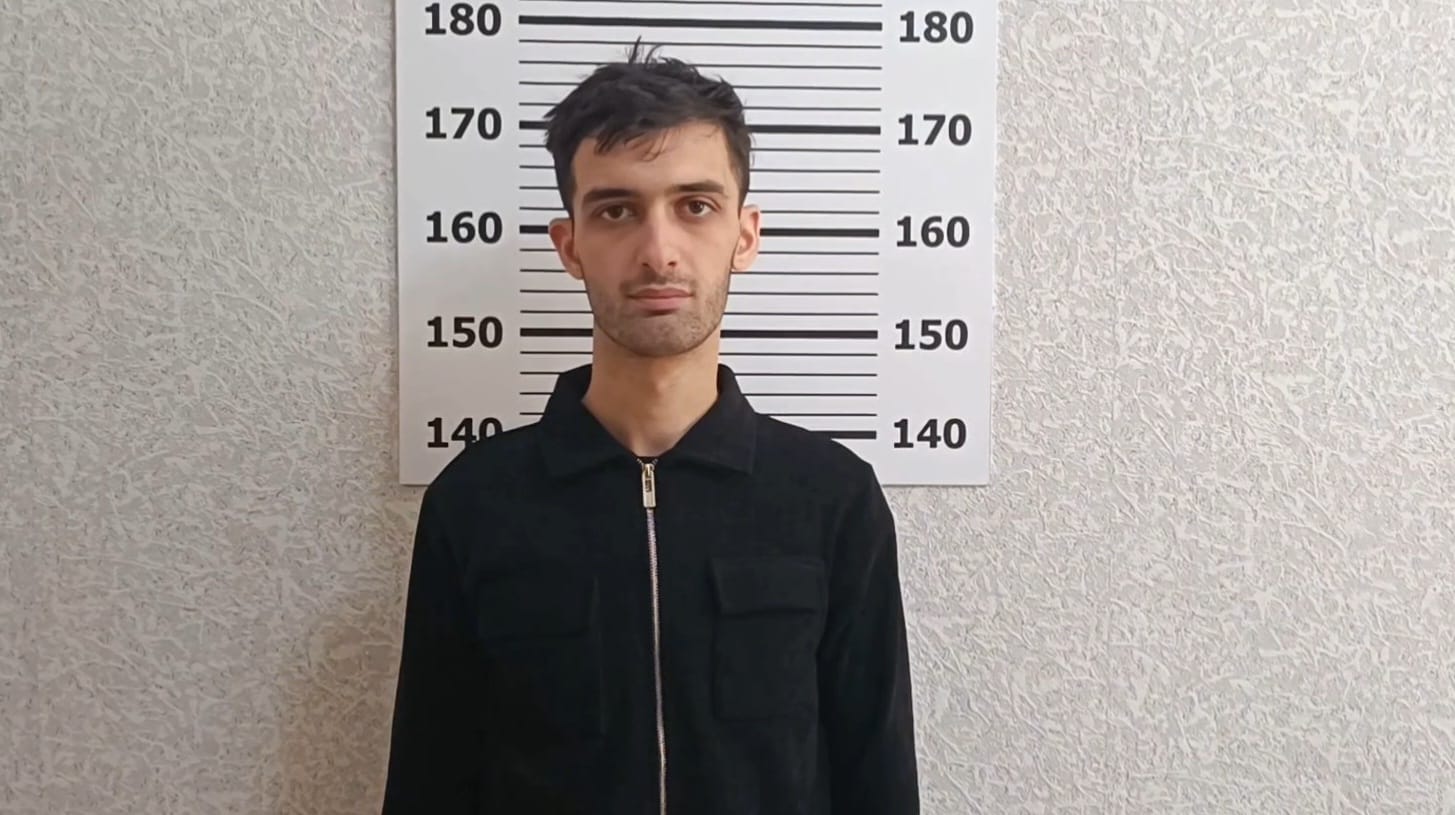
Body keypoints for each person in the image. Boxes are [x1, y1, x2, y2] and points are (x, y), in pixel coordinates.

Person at [380, 40, 919, 815]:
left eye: (694, 206)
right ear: (570, 245)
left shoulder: (832, 499)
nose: (658, 251)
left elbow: (878, 777)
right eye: (616, 210)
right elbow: (428, 782)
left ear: (745, 234)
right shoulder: (475, 502)